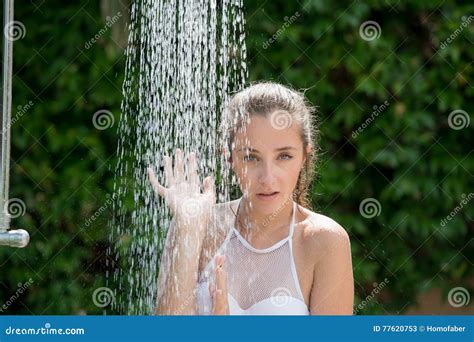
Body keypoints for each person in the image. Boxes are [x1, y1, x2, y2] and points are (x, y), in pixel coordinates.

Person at [148, 82, 354, 315]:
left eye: (284, 156)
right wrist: (188, 228)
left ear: (305, 156)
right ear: (229, 159)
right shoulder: (197, 224)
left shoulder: (323, 241)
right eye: (250, 157)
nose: (267, 178)